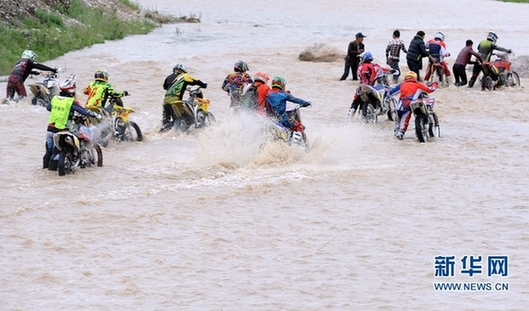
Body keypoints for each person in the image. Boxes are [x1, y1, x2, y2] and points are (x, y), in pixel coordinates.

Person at [44, 74, 101, 170]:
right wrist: (95, 115)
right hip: (62, 130)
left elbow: (48, 108)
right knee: (56, 152)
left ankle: (45, 171)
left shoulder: (54, 99)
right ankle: (53, 172)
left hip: (50, 130)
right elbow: (83, 111)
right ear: (71, 91)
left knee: (48, 152)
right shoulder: (70, 101)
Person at [161, 63, 207, 131]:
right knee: (184, 116)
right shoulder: (184, 76)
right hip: (175, 100)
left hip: (166, 101)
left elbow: (164, 87)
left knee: (165, 120)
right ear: (183, 70)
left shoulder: (168, 77)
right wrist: (204, 85)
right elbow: (195, 80)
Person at [394, 71, 437, 140]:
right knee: (405, 120)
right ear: (415, 77)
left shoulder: (401, 85)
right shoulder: (418, 84)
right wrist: (434, 84)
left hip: (400, 105)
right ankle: (401, 131)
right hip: (410, 104)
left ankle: (397, 132)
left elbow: (391, 92)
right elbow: (430, 90)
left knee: (398, 121)